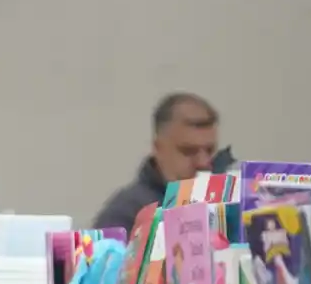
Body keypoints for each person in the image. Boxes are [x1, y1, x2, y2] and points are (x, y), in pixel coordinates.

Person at [93, 92, 236, 234]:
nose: (203, 162)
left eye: (210, 150)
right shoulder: (125, 215)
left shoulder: (230, 207)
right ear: (158, 148)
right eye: (188, 151)